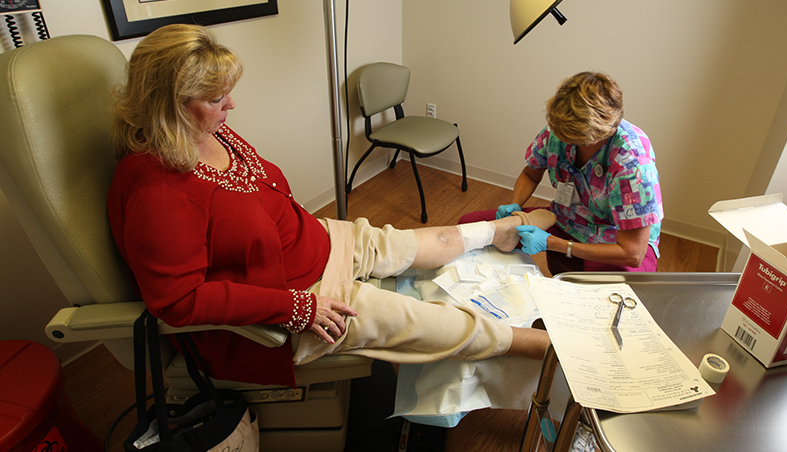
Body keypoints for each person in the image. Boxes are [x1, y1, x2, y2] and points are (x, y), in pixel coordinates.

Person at [106, 24, 549, 389]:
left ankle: (499, 231)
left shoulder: (210, 133)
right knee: (425, 322)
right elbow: (179, 301)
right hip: (295, 295)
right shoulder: (156, 193)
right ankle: (542, 347)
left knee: (438, 239)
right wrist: (296, 307)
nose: (231, 105)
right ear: (169, 105)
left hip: (317, 241)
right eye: (216, 99)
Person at [460, 72, 663, 276]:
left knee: (603, 295)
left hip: (613, 237)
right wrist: (516, 203)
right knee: (470, 228)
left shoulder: (633, 165)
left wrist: (554, 244)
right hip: (568, 218)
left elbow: (633, 253)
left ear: (599, 133)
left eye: (574, 138)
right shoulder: (557, 132)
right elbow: (531, 174)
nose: (562, 140)